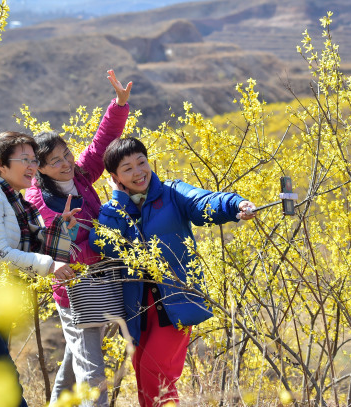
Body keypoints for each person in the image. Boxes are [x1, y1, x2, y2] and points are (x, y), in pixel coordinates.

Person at [89, 137, 256, 407]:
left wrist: (235, 205)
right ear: (115, 177)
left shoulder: (172, 193)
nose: (138, 172)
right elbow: (104, 244)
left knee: (157, 374)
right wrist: (119, 201)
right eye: (128, 168)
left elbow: (205, 203)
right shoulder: (113, 210)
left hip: (176, 302)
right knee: (143, 372)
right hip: (139, 310)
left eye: (141, 162)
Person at [25, 70, 132, 407]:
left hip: (100, 281)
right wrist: (97, 248)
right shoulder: (37, 202)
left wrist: (119, 104)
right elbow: (56, 251)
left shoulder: (82, 173)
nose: (65, 163)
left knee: (76, 359)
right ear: (40, 168)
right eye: (54, 161)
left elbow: (103, 143)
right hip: (73, 291)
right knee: (91, 371)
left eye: (66, 154)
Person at [0, 131, 79, 407]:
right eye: (24, 159)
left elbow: (30, 249)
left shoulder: (16, 203)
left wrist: (60, 228)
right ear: (1, 164)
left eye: (34, 159)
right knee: (7, 381)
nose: (32, 166)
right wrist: (50, 265)